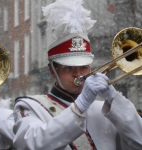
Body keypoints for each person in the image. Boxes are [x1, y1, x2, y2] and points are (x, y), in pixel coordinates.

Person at [13, 0, 142, 150]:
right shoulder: (31, 106)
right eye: (69, 68)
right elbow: (31, 145)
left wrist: (115, 100)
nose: (78, 74)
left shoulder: (105, 109)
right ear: (52, 71)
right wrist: (80, 106)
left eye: (83, 67)